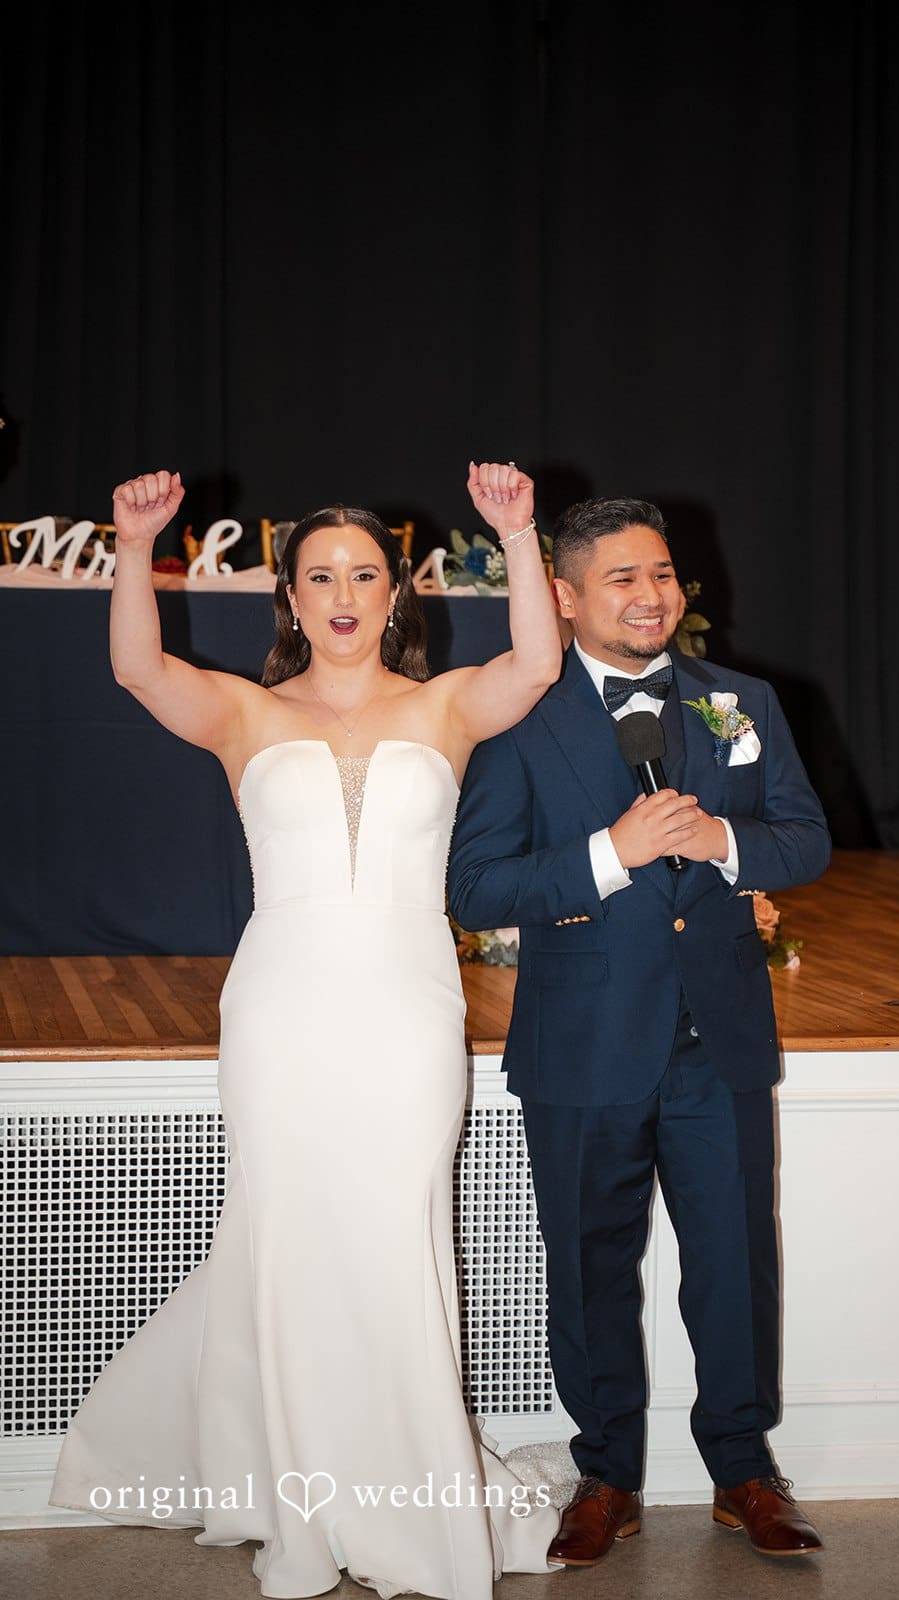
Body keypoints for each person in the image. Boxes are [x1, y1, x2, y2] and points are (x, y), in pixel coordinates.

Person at [49, 462, 566, 1599]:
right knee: (284, 1238)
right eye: (319, 575)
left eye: (364, 574)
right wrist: (134, 546)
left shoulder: (442, 705)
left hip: (407, 1010)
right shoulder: (249, 711)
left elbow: (536, 664)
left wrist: (520, 537)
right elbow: (137, 667)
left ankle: (410, 1501)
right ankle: (295, 1501)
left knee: (393, 1236)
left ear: (397, 593)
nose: (342, 592)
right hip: (281, 1007)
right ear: (288, 596)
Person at [446, 494, 832, 1567]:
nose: (650, 595)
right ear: (563, 596)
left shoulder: (735, 700)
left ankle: (740, 1469)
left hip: (717, 1036)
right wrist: (608, 852)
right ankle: (605, 1471)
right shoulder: (514, 719)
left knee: (729, 1260)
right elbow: (473, 883)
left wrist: (721, 840)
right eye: (621, 578)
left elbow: (804, 840)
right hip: (582, 1041)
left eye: (661, 574)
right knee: (587, 1265)